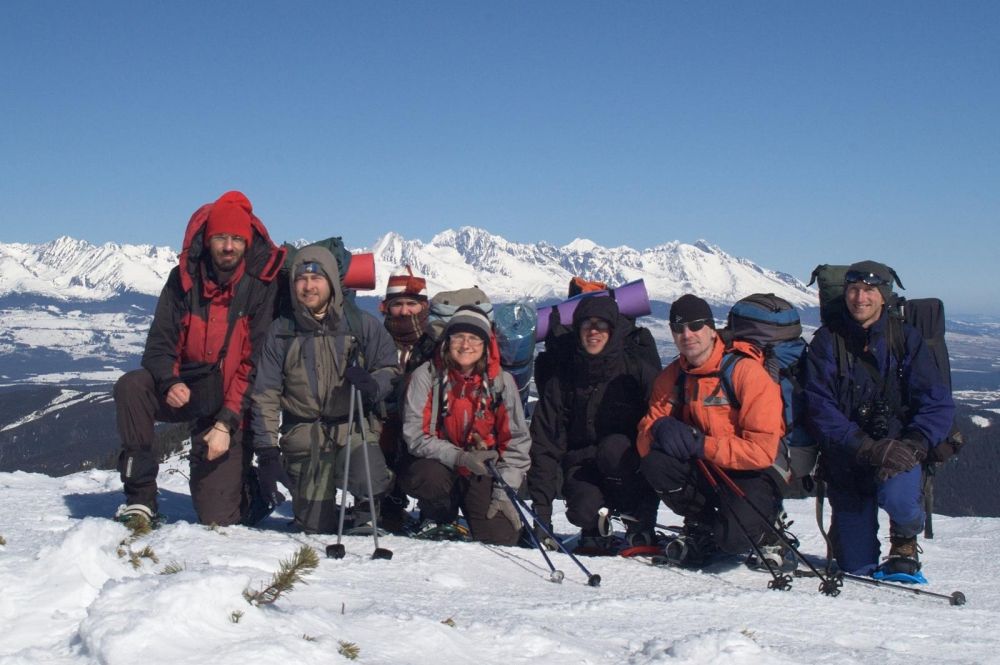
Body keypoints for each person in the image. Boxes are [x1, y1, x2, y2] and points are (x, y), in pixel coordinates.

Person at [114, 190, 286, 527]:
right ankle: (141, 498)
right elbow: (159, 344)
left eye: (237, 238)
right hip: (187, 389)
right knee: (132, 386)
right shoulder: (183, 279)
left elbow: (253, 366)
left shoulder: (260, 288)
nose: (228, 246)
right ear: (207, 240)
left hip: (229, 405)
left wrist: (225, 424)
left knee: (217, 517)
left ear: (247, 243)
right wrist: (168, 379)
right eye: (221, 237)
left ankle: (249, 487)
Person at [803, 260, 955, 577]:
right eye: (854, 289)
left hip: (898, 452)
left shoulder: (906, 340)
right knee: (856, 566)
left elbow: (935, 401)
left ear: (884, 296)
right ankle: (850, 537)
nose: (861, 298)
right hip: (848, 457)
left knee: (900, 497)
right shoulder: (827, 342)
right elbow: (819, 407)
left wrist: (914, 444)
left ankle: (904, 540)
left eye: (869, 290)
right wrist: (864, 447)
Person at [249, 245, 399, 534]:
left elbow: (389, 369)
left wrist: (372, 386)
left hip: (351, 429)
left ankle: (368, 507)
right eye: (301, 280)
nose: (308, 287)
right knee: (316, 527)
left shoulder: (360, 324)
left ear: (331, 281)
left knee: (370, 474)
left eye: (316, 279)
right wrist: (267, 451)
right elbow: (266, 393)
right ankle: (327, 511)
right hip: (304, 436)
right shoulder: (281, 331)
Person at [637, 294, 785, 567]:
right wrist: (658, 428)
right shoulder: (673, 376)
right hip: (707, 469)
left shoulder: (746, 373)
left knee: (732, 541)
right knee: (657, 463)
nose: (687, 335)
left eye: (695, 326)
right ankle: (701, 523)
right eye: (679, 329)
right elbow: (644, 439)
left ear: (711, 328)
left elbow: (762, 452)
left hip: (751, 473)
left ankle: (767, 526)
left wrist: (701, 444)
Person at [528, 295, 659, 552]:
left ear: (613, 330)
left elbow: (658, 435)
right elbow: (545, 445)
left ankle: (638, 520)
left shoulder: (634, 371)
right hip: (583, 467)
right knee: (582, 510)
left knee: (614, 449)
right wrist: (542, 517)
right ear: (578, 330)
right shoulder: (563, 378)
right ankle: (595, 524)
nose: (594, 332)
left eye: (601, 325)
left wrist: (648, 510)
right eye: (587, 325)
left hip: (627, 468)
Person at [401, 305, 531, 545]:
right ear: (447, 341)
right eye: (458, 336)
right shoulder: (427, 376)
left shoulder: (501, 382)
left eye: (474, 338)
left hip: (483, 471)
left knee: (500, 536)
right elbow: (416, 436)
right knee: (427, 476)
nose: (465, 345)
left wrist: (504, 492)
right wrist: (460, 457)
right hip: (439, 466)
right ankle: (438, 515)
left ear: (486, 345)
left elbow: (516, 444)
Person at [376, 265, 435, 529]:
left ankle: (433, 508)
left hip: (425, 430)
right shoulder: (374, 341)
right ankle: (386, 502)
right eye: (397, 304)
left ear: (424, 306)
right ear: (386, 307)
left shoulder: (436, 344)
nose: (404, 311)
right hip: (383, 428)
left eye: (412, 303)